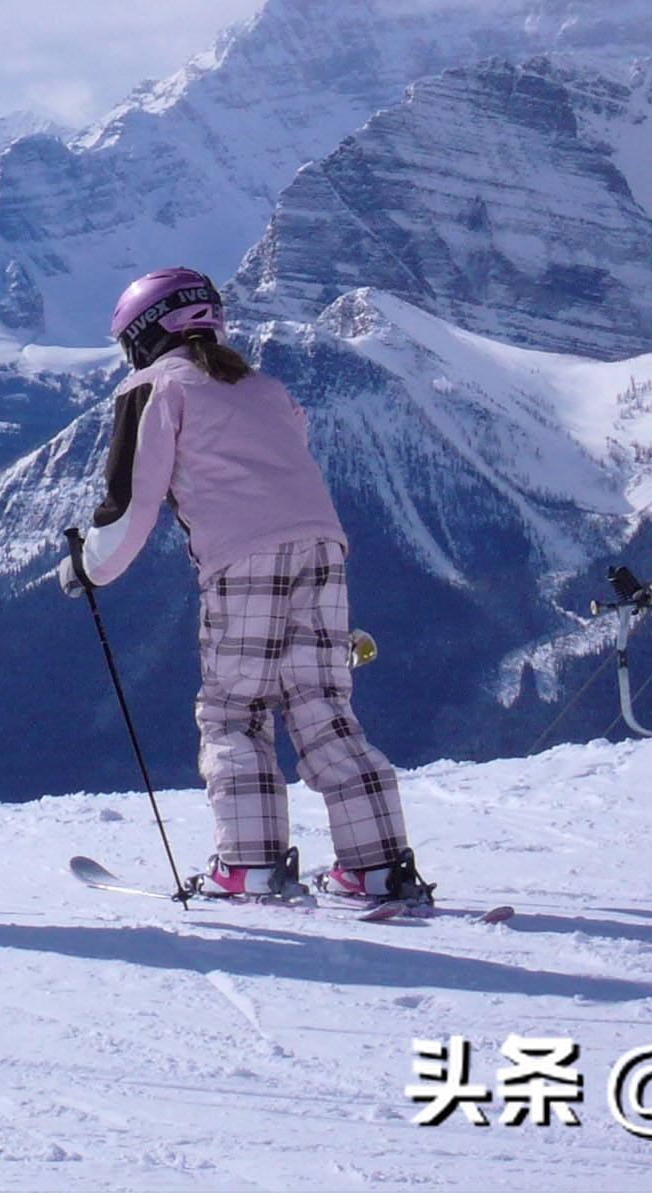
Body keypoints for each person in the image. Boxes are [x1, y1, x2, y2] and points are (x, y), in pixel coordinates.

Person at [61, 267, 434, 910]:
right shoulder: (266, 389)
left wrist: (87, 567)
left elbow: (131, 504)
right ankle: (377, 869)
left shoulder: (155, 388)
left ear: (144, 338)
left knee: (235, 712)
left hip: (242, 560)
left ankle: (251, 867)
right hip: (324, 551)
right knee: (322, 707)